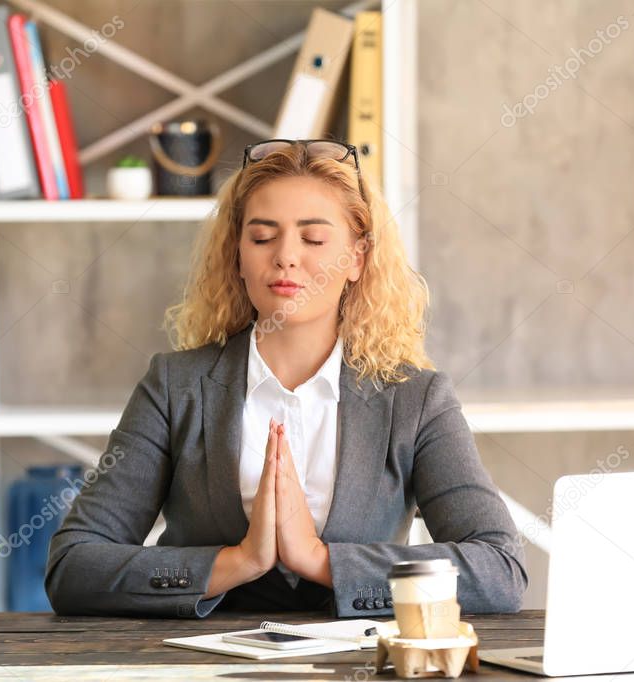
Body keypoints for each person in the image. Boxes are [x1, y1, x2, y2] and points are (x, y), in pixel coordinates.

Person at [45, 139, 527, 618]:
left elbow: (499, 569)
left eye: (314, 239)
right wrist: (235, 563)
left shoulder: (415, 398)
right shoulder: (175, 386)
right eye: (261, 237)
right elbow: (74, 566)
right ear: (237, 253)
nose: (285, 257)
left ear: (357, 257)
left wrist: (321, 561)